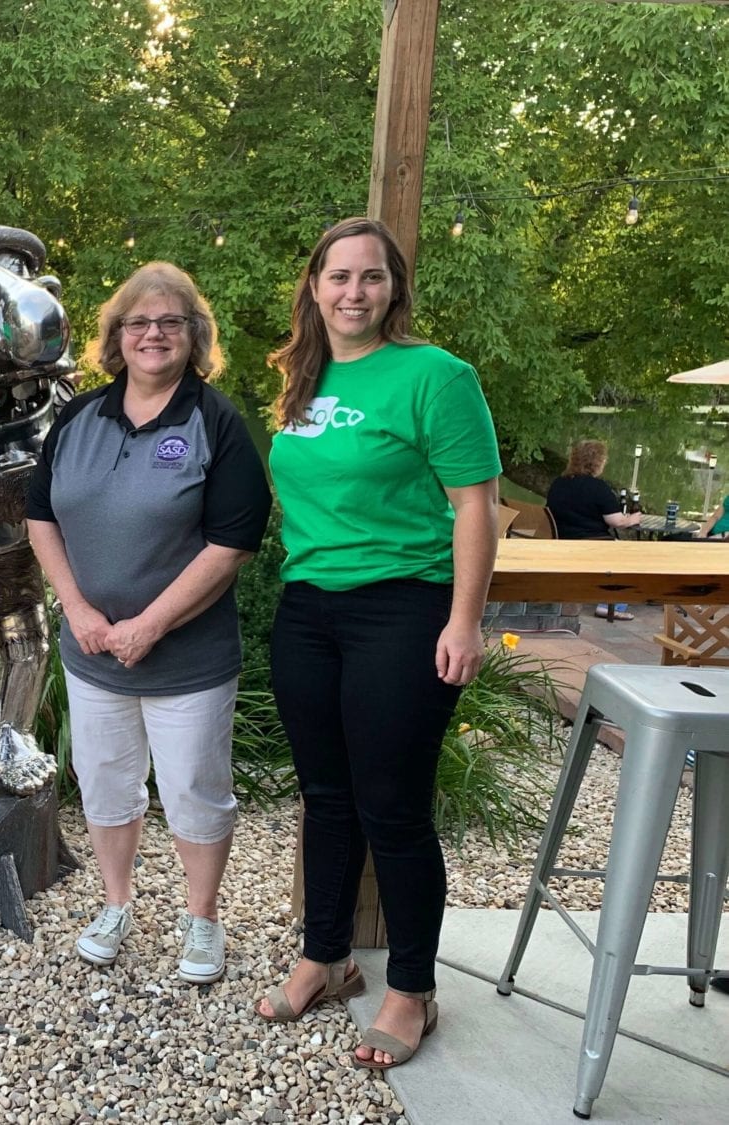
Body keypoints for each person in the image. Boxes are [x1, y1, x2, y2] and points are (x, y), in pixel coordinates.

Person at [257, 217, 501, 1069]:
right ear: (314, 287)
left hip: (405, 608)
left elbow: (476, 502)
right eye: (338, 276)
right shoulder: (301, 378)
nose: (353, 291)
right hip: (309, 609)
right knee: (324, 796)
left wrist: (464, 620)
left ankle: (412, 988)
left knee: (391, 805)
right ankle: (324, 959)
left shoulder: (436, 375)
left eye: (371, 277)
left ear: (394, 288)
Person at [25, 261, 271, 984]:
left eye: (170, 322)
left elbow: (233, 543)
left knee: (194, 784)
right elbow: (40, 516)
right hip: (92, 648)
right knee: (103, 781)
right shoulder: (76, 417)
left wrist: (151, 625)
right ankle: (116, 901)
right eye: (139, 322)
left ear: (194, 335)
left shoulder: (215, 422)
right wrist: (75, 605)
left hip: (186, 658)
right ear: (116, 337)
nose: (153, 334)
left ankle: (202, 919)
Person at [546, 440, 641, 619]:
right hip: (592, 544)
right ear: (597, 462)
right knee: (629, 554)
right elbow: (616, 521)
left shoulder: (558, 483)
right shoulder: (598, 488)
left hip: (560, 540)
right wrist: (632, 519)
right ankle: (612, 605)